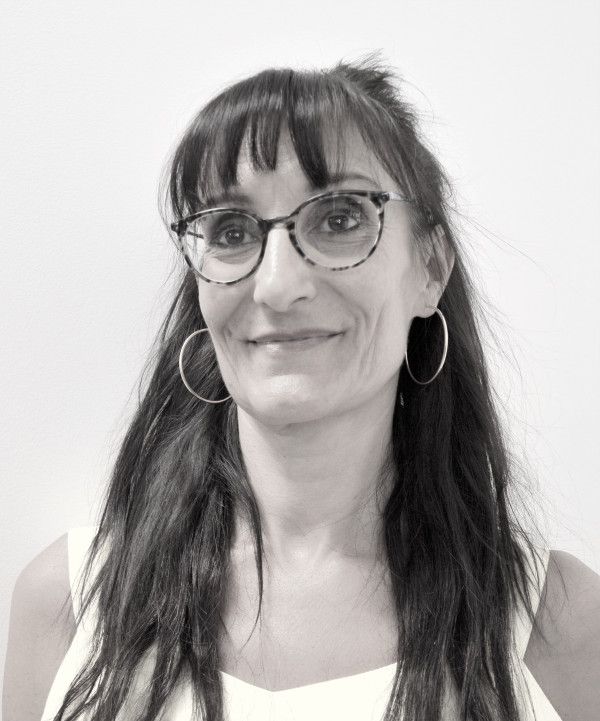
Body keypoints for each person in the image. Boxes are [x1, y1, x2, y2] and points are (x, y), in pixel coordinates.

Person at [3, 54, 600, 721]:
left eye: (340, 218)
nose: (278, 286)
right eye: (231, 230)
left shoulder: (561, 627)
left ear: (430, 267)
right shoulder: (68, 604)